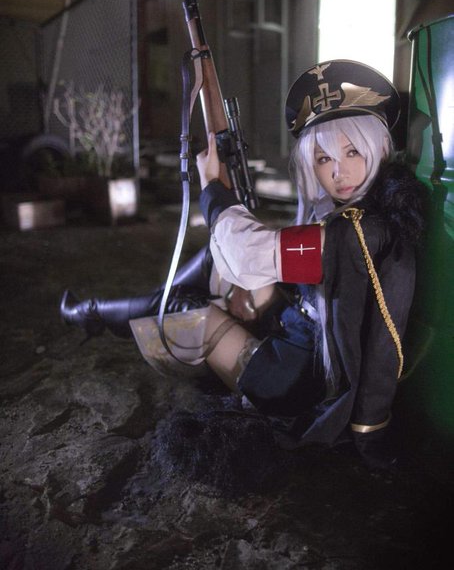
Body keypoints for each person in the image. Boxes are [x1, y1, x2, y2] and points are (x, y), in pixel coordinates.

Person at [61, 60, 426, 470]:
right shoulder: (366, 211)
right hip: (304, 335)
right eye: (323, 158)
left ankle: (98, 314)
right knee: (212, 262)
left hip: (298, 384)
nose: (339, 172)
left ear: (379, 147)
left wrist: (214, 191)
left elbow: (246, 253)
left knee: (190, 315)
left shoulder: (361, 229)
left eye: (352, 151)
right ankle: (102, 312)